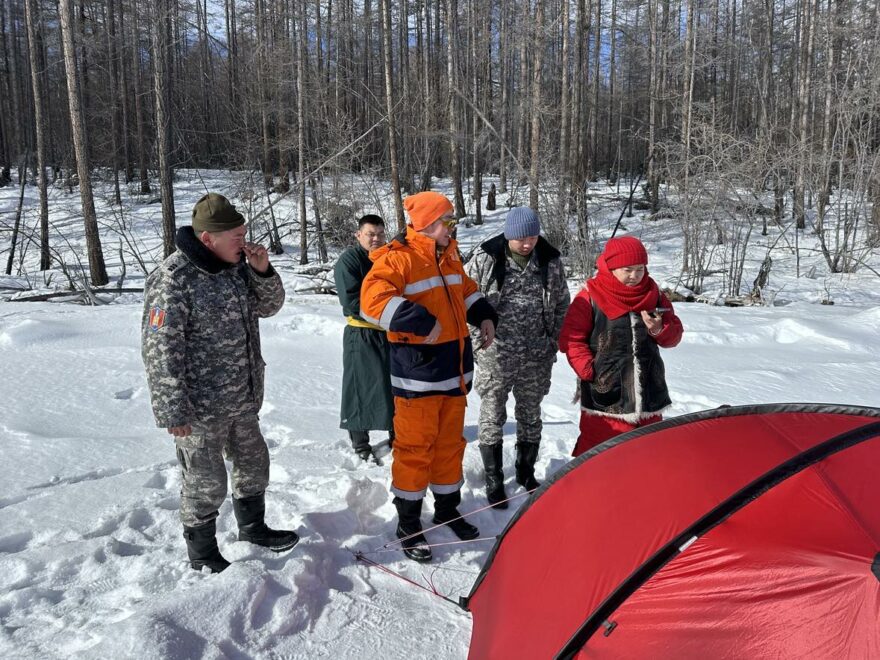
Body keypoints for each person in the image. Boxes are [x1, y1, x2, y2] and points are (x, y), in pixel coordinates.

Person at [141, 192, 299, 573]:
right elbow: (159, 348)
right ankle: (203, 554)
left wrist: (262, 271)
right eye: (236, 236)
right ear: (208, 238)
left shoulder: (237, 266)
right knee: (204, 479)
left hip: (243, 396)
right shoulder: (173, 278)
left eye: (244, 234)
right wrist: (172, 408)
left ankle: (253, 528)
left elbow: (268, 306)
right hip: (200, 407)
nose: (243, 242)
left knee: (253, 464)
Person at [360, 191, 498, 563]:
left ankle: (447, 508)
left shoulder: (448, 254)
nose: (452, 225)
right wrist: (422, 323)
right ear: (426, 224)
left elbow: (465, 291)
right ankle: (408, 521)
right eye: (447, 220)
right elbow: (372, 302)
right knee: (414, 450)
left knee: (449, 446)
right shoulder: (398, 258)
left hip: (453, 373)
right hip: (417, 377)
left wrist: (483, 313)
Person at [465, 207, 570, 508]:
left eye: (532, 237)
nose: (527, 244)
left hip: (536, 353)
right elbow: (465, 299)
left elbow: (563, 301)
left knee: (530, 413)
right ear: (509, 235)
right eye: (521, 238)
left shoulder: (550, 261)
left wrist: (553, 340)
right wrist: (476, 342)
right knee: (492, 414)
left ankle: (526, 473)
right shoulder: (486, 259)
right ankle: (494, 480)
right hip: (495, 353)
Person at [558, 235, 683, 457]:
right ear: (612, 267)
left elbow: (673, 338)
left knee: (647, 453)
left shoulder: (654, 295)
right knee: (600, 454)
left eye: (640, 269)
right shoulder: (590, 295)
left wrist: (657, 328)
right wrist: (589, 370)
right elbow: (572, 339)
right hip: (606, 395)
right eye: (627, 270)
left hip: (649, 392)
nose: (635, 276)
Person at [333, 214, 395, 461]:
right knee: (359, 387)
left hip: (391, 333)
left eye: (380, 233)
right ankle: (360, 444)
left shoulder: (389, 259)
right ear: (359, 235)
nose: (376, 238)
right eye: (370, 234)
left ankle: (398, 435)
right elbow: (350, 302)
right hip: (361, 332)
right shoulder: (349, 261)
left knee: (393, 386)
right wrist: (389, 312)